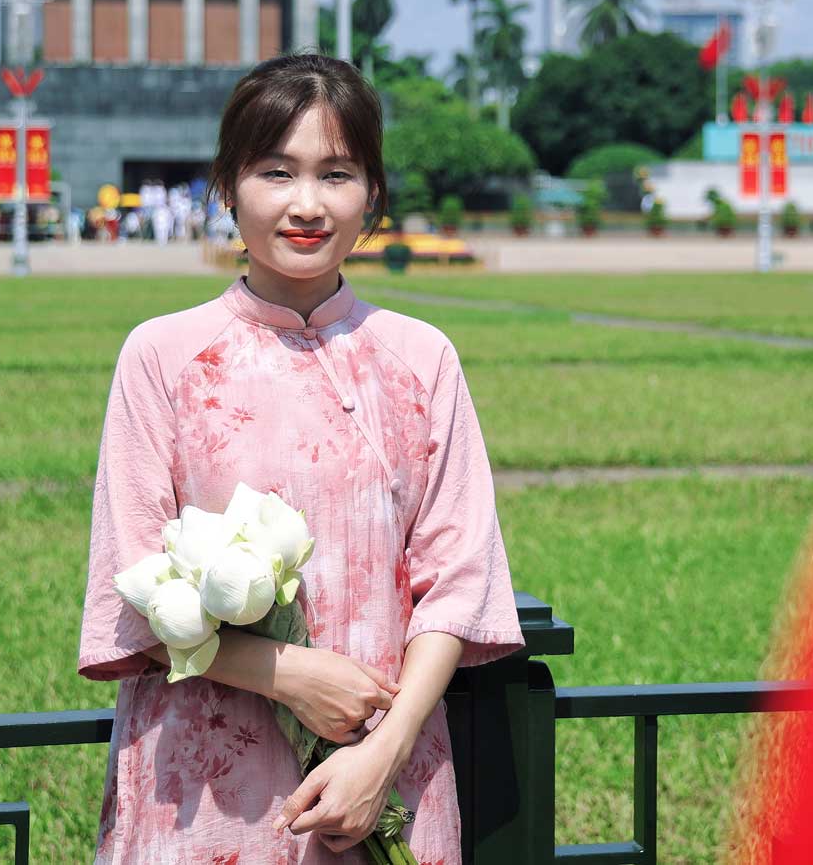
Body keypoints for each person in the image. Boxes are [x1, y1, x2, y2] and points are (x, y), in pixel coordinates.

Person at [77, 53, 523, 864]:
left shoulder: (421, 359)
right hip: (204, 794)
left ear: (374, 195)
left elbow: (458, 580)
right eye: (276, 171)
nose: (307, 204)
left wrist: (378, 755)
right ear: (227, 187)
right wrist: (290, 675)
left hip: (387, 778)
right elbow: (132, 584)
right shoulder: (164, 357)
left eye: (338, 173)